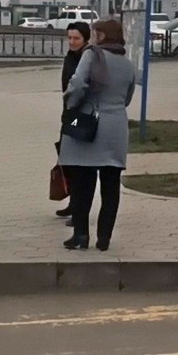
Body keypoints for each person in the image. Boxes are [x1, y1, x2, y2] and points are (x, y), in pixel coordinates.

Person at [58, 18, 138, 252]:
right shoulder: (127, 62)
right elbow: (128, 96)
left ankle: (81, 235)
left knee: (82, 182)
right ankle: (104, 238)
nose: (91, 38)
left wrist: (71, 104)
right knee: (111, 185)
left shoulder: (91, 55)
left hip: (89, 125)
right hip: (116, 126)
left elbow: (78, 84)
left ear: (101, 36)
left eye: (94, 33)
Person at [54, 21, 93, 220]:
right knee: (66, 158)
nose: (71, 42)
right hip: (69, 114)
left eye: (76, 38)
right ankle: (72, 202)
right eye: (69, 38)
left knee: (79, 164)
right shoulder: (70, 56)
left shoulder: (88, 58)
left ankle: (79, 209)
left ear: (85, 39)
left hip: (82, 116)